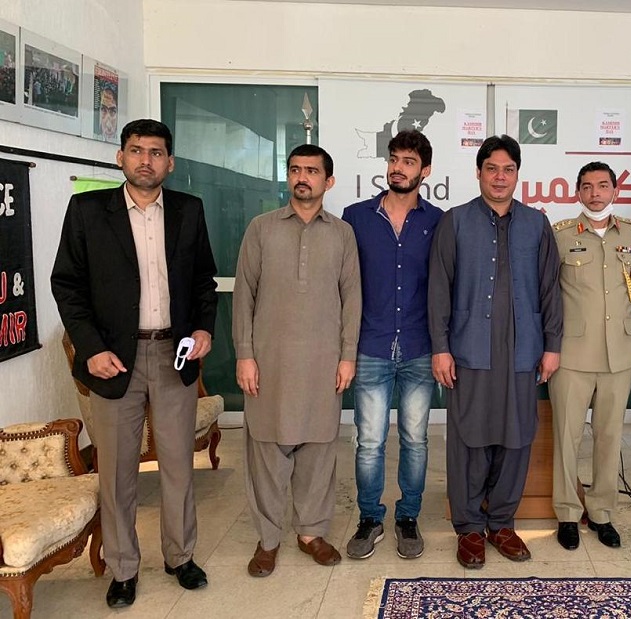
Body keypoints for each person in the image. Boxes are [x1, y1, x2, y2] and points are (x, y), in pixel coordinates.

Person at [51, 119, 218, 608]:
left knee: (178, 466)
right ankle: (123, 568)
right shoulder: (88, 211)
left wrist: (203, 329)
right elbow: (68, 285)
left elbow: (204, 281)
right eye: (137, 150)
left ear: (170, 162)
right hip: (112, 359)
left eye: (156, 152)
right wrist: (90, 348)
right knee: (117, 471)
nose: (146, 160)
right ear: (120, 157)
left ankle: (180, 556)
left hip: (173, 354)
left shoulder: (189, 210)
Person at [428, 134, 562, 569]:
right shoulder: (455, 221)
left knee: (516, 437)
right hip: (469, 350)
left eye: (508, 170)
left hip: (523, 351)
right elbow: (438, 289)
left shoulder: (536, 224)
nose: (500, 177)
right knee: (469, 438)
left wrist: (553, 346)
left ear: (517, 175)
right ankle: (469, 527)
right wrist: (441, 348)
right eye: (492, 169)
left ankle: (501, 523)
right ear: (479, 173)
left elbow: (550, 289)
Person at [232, 144, 361, 578]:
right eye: (295, 170)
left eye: (311, 171)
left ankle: (311, 533)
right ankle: (268, 539)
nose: (302, 177)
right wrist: (245, 355)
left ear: (329, 180)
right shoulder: (261, 228)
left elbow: (352, 300)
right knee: (267, 450)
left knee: (318, 450)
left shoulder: (342, 234)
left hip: (324, 362)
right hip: (269, 362)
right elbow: (243, 296)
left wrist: (347, 357)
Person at [342, 130, 443, 560]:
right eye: (394, 160)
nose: (398, 168)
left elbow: (445, 287)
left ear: (425, 171)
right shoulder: (356, 217)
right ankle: (370, 518)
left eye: (408, 162)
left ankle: (408, 518)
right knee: (369, 441)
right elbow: (344, 284)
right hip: (371, 344)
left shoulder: (438, 222)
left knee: (415, 439)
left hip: (420, 346)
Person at [549, 162, 631, 551]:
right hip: (572, 354)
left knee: (609, 436)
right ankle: (568, 513)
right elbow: (547, 295)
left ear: (615, 190)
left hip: (620, 353)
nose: (595, 193)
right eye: (587, 186)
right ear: (577, 192)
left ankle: (602, 513)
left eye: (603, 185)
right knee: (566, 438)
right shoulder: (561, 235)